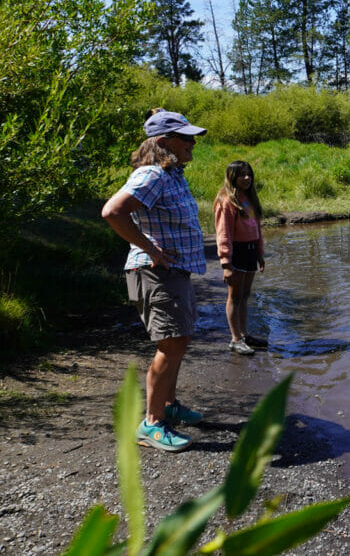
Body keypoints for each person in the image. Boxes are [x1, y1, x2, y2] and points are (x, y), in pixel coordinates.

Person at [101, 109, 208, 452]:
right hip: (155, 272)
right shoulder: (152, 175)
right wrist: (149, 248)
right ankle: (151, 424)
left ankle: (169, 405)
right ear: (164, 143)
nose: (193, 143)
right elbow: (112, 211)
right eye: (186, 137)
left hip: (174, 273)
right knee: (171, 344)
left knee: (180, 340)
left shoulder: (172, 174)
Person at [213, 160, 268, 355]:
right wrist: (226, 263)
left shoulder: (248, 198)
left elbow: (257, 229)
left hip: (251, 251)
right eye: (242, 174)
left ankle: (244, 334)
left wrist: (260, 254)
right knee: (234, 297)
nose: (247, 178)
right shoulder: (226, 200)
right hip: (236, 252)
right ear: (232, 177)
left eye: (249, 174)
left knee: (245, 296)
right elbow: (223, 233)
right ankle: (235, 339)